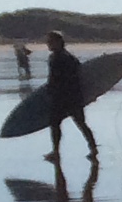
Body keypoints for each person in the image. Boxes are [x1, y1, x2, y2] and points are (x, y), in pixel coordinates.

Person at [39, 28, 99, 164]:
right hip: (73, 96)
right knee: (78, 123)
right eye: (47, 42)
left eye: (50, 41)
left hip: (63, 97)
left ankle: (56, 152)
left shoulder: (60, 58)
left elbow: (56, 78)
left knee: (57, 124)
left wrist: (50, 91)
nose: (48, 44)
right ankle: (93, 149)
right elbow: (81, 77)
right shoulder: (69, 57)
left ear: (59, 42)